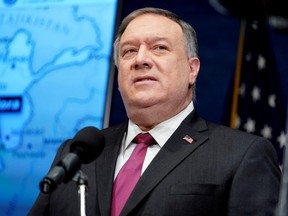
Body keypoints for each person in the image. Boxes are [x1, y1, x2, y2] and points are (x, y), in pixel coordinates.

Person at [29, 7, 281, 216]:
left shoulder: (242, 154)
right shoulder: (77, 154)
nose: (140, 59)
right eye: (128, 51)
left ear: (192, 70)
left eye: (159, 48)